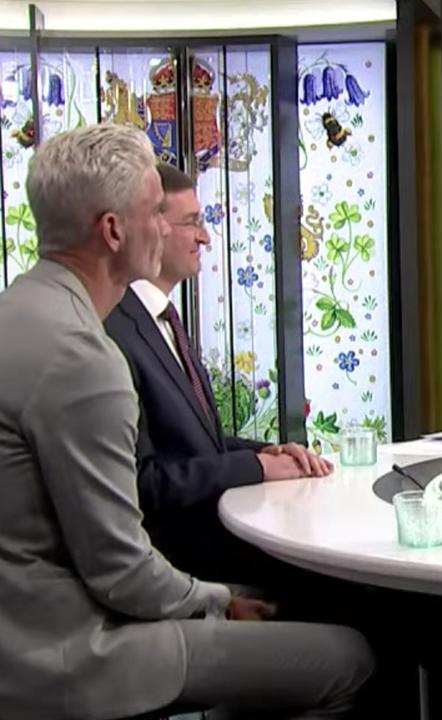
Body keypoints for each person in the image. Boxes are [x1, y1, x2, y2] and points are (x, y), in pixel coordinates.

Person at [0, 124, 372, 719]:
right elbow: (120, 571)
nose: (177, 229)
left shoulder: (18, 308)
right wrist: (218, 602)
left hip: (29, 628)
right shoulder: (82, 356)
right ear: (113, 230)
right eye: (156, 211)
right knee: (347, 656)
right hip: (67, 651)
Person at [105, 162, 330, 584]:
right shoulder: (116, 331)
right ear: (151, 226)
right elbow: (144, 481)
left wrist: (267, 454)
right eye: (191, 222)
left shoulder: (162, 319)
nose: (205, 237)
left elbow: (194, 444)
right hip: (184, 561)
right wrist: (253, 468)